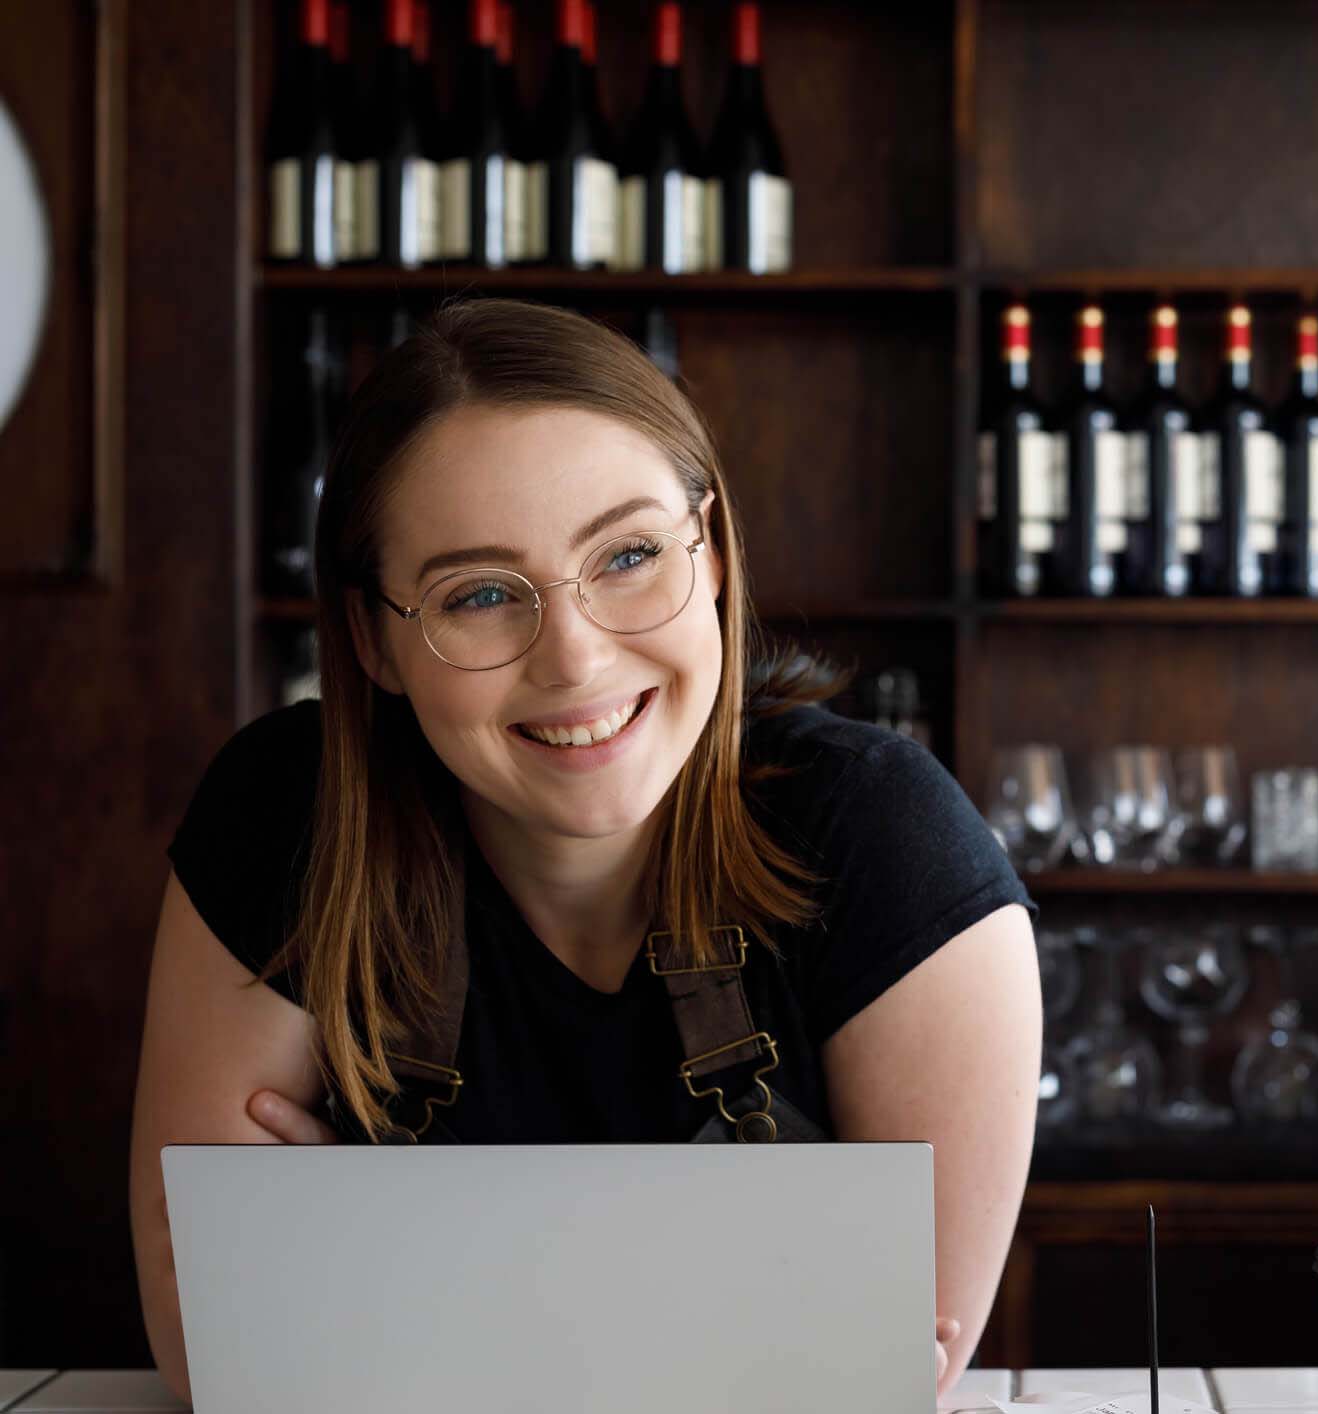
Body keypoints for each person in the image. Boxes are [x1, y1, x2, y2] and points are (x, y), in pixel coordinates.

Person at [127, 299, 1041, 1402]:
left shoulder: (887, 840)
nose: (574, 657)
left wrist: (378, 1274)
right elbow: (219, 1353)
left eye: (629, 555)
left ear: (708, 555)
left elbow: (891, 1373)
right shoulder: (287, 818)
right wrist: (743, 1322)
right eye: (478, 594)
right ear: (373, 639)